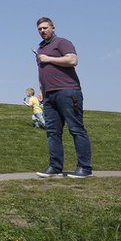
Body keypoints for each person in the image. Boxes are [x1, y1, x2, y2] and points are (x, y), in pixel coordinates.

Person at [34, 17, 93, 178]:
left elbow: (73, 60)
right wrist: (42, 92)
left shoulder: (62, 42)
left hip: (68, 92)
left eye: (45, 28)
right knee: (52, 132)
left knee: (76, 129)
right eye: (39, 29)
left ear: (53, 28)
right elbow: (43, 73)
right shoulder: (40, 49)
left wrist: (48, 58)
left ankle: (85, 169)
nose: (42, 31)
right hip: (49, 95)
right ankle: (55, 167)